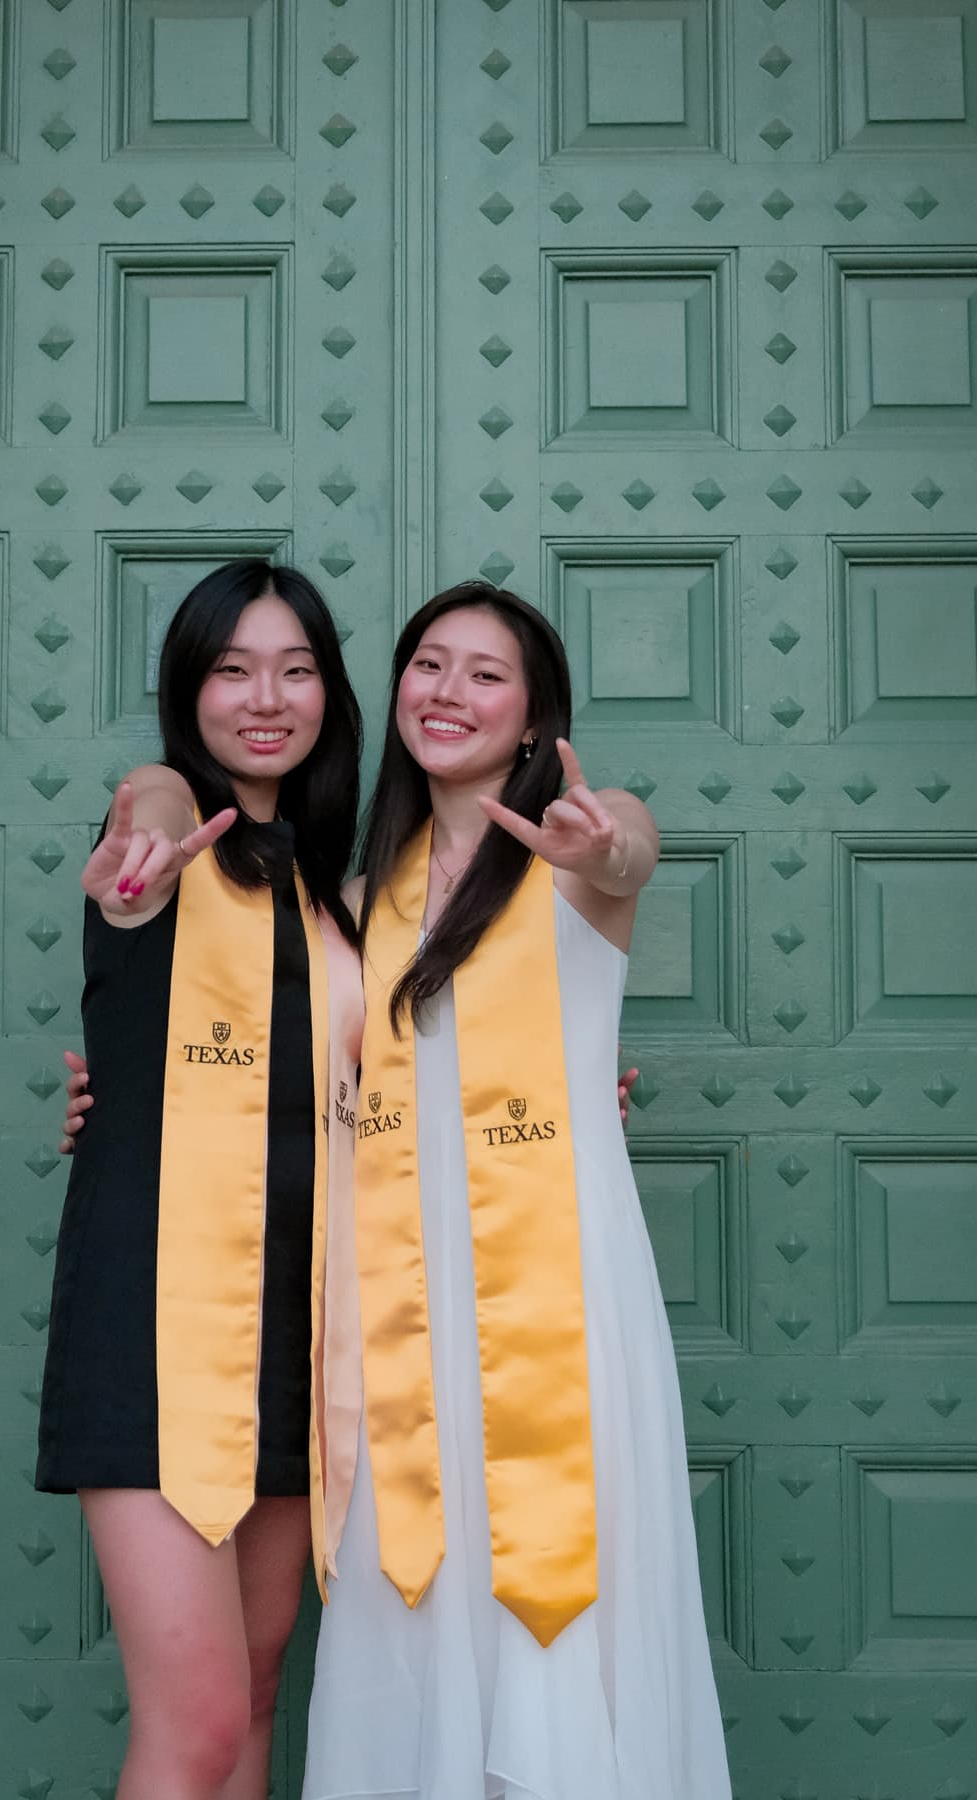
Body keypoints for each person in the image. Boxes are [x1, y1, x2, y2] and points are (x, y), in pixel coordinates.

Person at [301, 582, 733, 1800]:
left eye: (485, 674)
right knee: (415, 1566)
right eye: (428, 665)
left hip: (554, 1287)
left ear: (536, 716)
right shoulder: (359, 897)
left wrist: (606, 848)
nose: (448, 692)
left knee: (552, 1558)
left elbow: (630, 848)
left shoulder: (577, 852)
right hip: (400, 1291)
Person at [35, 559, 365, 1800]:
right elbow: (153, 809)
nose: (264, 697)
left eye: (294, 668)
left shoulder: (335, 897)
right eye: (231, 670)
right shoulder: (153, 854)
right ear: (190, 689)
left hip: (294, 1329)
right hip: (156, 1329)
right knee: (202, 1720)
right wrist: (155, 813)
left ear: (329, 691)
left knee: (260, 1694)